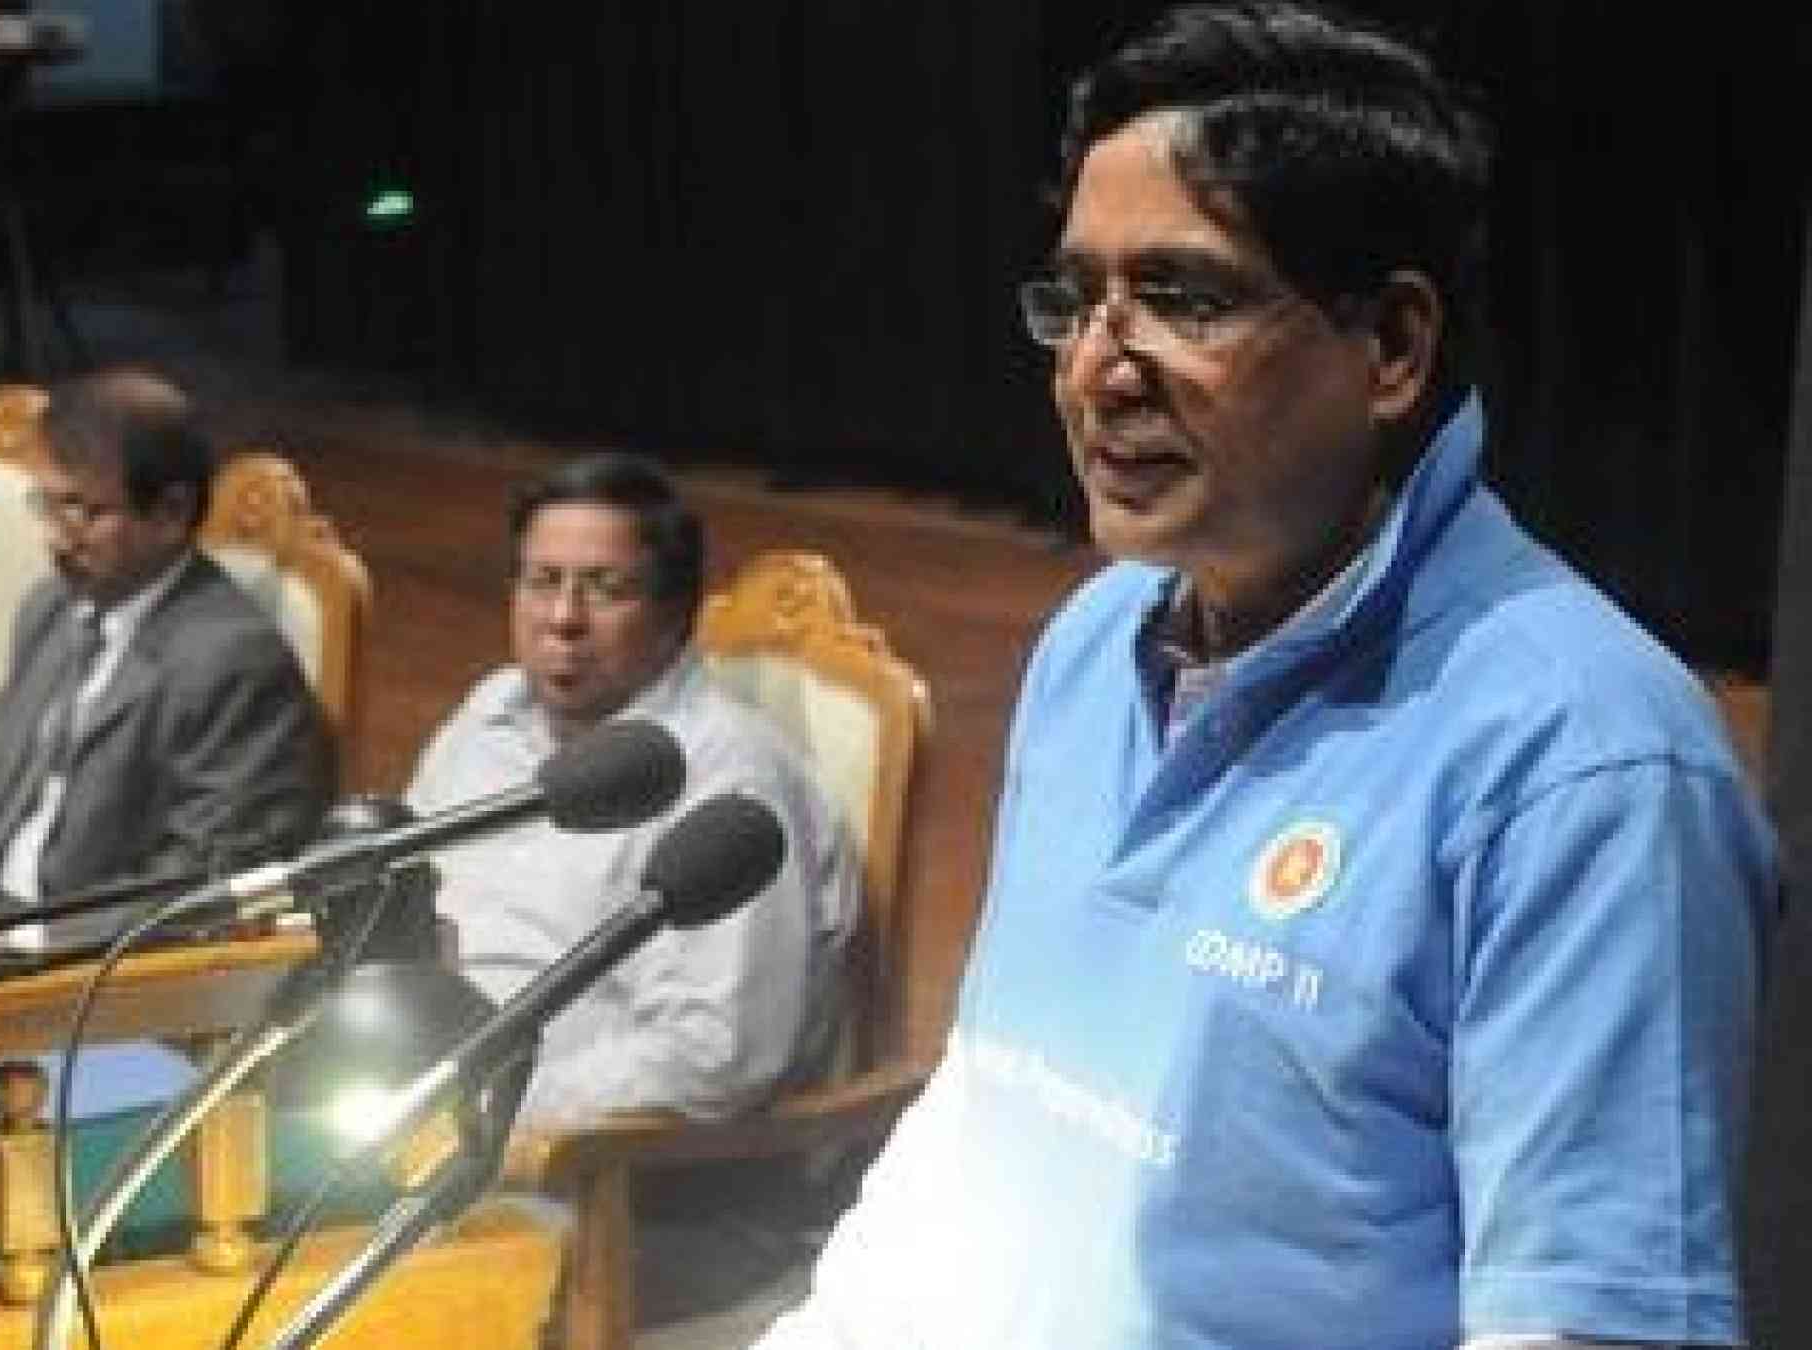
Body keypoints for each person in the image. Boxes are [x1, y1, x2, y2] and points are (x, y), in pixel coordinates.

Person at [759, 5, 1777, 1347]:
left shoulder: (1586, 763)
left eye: (1180, 295)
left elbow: (1588, 1325)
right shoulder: (1090, 643)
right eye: (1075, 299)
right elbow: (991, 1106)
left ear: (1394, 349)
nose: (1096, 370)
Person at [406, 452, 857, 1127]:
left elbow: (716, 1055)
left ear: (676, 615)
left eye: (604, 589)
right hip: (405, 1105)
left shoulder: (728, 782)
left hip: (590, 1175)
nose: (562, 618)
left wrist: (486, 1112)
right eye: (541, 582)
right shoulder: (487, 716)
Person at [0, 369, 334, 937]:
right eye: (47, 505)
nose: (58, 538)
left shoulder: (234, 663)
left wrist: (30, 944)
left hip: (92, 973)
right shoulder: (50, 610)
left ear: (170, 515)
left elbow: (201, 882)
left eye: (83, 512)